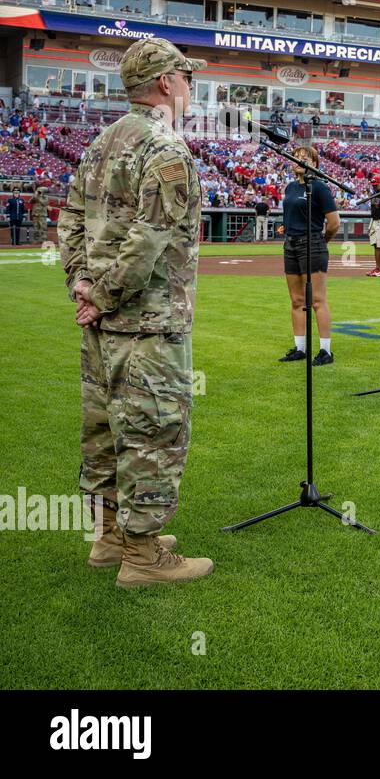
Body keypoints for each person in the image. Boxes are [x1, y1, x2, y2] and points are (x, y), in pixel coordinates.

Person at [57, 36, 212, 587]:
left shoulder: (101, 142)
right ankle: (143, 557)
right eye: (186, 78)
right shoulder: (166, 148)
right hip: (147, 320)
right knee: (153, 432)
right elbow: (148, 241)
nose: (191, 88)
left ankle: (110, 538)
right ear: (167, 82)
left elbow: (70, 218)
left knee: (103, 428)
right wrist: (100, 295)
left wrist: (83, 286)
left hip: (101, 321)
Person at [279, 145, 340, 366]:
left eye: (305, 158)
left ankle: (326, 351)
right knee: (296, 301)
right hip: (291, 244)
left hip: (312, 242)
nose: (299, 160)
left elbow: (334, 223)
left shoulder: (320, 188)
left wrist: (321, 242)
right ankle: (300, 348)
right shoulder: (290, 188)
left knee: (317, 300)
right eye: (296, 157)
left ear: (314, 164)